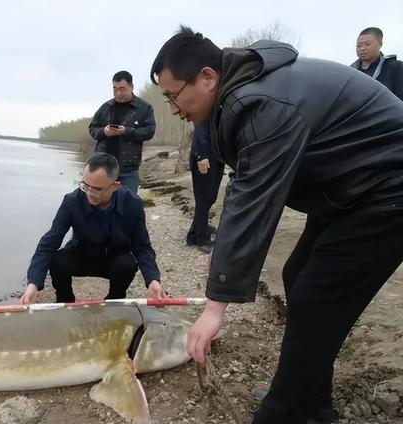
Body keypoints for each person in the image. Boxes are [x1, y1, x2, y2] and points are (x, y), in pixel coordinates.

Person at [150, 26, 403, 424]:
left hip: (387, 188)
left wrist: (216, 307)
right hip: (349, 187)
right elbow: (244, 183)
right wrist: (223, 259)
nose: (173, 108)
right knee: (298, 274)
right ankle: (310, 403)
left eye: (173, 95)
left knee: (317, 297)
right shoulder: (239, 94)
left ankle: (283, 411)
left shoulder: (261, 102)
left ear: (207, 77)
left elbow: (255, 200)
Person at [20, 153, 165, 305]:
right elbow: (49, 243)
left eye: (96, 189)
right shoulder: (72, 201)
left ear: (115, 186)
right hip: (82, 255)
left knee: (127, 265)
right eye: (85, 186)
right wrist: (33, 283)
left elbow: (142, 247)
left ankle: (114, 301)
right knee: (57, 261)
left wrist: (153, 280)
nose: (89, 193)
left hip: (114, 258)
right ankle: (65, 299)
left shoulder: (132, 204)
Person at [88, 71, 156, 195]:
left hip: (128, 170)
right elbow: (93, 129)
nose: (118, 93)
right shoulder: (106, 107)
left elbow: (149, 132)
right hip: (103, 168)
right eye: (115, 89)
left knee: (127, 207)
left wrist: (126, 131)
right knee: (100, 206)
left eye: (122, 89)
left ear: (132, 87)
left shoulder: (144, 109)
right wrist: (104, 131)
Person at [185, 122, 224, 253]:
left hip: (217, 157)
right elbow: (200, 129)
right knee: (204, 198)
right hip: (205, 158)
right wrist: (202, 156)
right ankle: (201, 238)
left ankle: (193, 234)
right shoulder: (206, 108)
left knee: (210, 197)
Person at [350, 27, 403, 101]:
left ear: (380, 44)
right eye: (359, 45)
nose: (362, 48)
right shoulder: (351, 72)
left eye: (367, 44)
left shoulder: (396, 67)